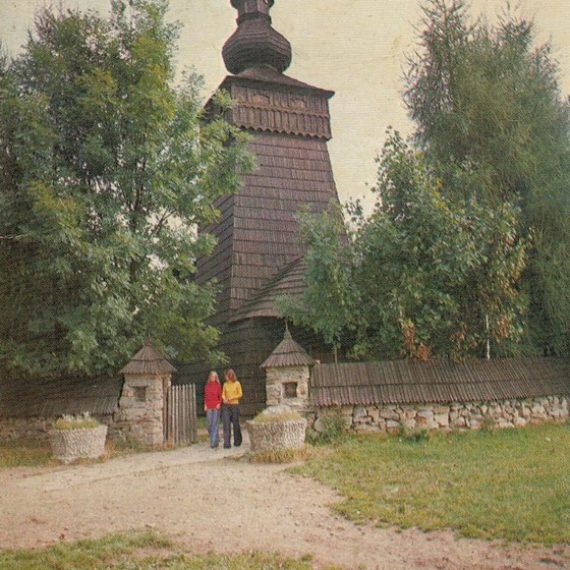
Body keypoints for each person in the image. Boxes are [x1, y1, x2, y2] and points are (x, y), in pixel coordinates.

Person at [222, 368, 243, 448]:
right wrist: (224, 398)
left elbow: (240, 394)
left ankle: (237, 441)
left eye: (227, 375)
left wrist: (232, 397)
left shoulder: (237, 383)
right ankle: (227, 443)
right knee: (226, 424)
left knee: (235, 423)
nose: (226, 377)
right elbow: (223, 393)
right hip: (226, 406)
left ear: (231, 375)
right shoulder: (225, 384)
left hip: (234, 405)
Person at [204, 371, 222, 449]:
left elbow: (220, 396)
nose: (213, 378)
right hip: (209, 406)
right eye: (211, 376)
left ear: (216, 377)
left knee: (215, 424)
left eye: (214, 376)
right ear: (210, 377)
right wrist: (205, 405)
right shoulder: (207, 386)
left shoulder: (218, 385)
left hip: (216, 406)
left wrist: (219, 403)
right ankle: (216, 438)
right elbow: (206, 396)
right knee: (209, 424)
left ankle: (213, 442)